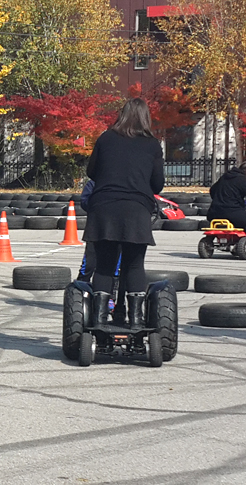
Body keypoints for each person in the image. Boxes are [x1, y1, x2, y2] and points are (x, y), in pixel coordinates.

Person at [83, 98, 165, 327]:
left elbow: (92, 172)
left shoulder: (106, 138)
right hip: (136, 209)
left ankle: (98, 319)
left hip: (104, 207)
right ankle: (136, 319)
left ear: (122, 114)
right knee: (134, 265)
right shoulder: (152, 144)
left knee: (105, 265)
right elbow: (157, 184)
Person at [207, 164, 246, 258]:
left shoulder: (225, 177)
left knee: (238, 222)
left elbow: (212, 190)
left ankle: (211, 243)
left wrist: (218, 200)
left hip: (214, 212)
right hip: (232, 212)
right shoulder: (243, 180)